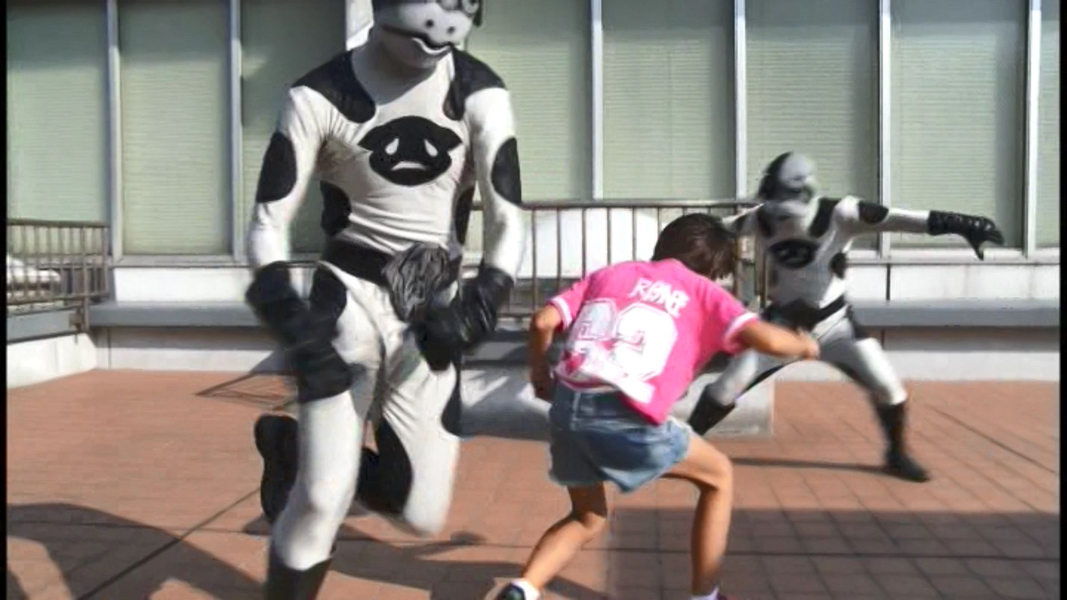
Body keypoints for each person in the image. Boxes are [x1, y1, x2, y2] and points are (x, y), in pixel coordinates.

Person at [243, 1, 527, 596]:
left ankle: (289, 447)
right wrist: (288, 314)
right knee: (322, 498)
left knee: (420, 513)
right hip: (347, 302)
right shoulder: (317, 96)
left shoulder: (480, 93)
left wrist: (484, 299)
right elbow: (268, 222)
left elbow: (508, 218)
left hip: (434, 311)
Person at [497, 214, 820, 600]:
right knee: (718, 476)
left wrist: (540, 376)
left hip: (568, 410)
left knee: (587, 516)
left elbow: (542, 322)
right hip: (624, 414)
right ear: (714, 268)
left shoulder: (611, 274)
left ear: (663, 245)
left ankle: (523, 589)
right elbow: (767, 340)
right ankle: (705, 595)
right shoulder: (703, 291)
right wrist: (805, 345)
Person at [688, 152, 1005, 483]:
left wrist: (962, 224)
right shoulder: (759, 218)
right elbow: (713, 232)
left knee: (889, 388)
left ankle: (897, 453)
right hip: (781, 326)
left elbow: (900, 219)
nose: (783, 218)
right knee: (725, 387)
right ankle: (681, 448)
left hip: (836, 326)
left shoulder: (842, 213)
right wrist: (677, 247)